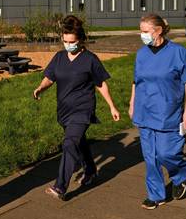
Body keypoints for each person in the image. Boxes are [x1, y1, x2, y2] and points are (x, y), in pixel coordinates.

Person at [33, 15, 120, 201]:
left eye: (71, 42)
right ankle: (90, 170)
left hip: (83, 108)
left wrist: (112, 106)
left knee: (69, 143)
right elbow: (49, 77)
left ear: (80, 40)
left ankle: (60, 186)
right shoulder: (59, 57)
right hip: (64, 110)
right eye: (65, 41)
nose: (68, 45)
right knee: (78, 142)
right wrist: (41, 87)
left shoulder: (90, 59)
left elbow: (101, 84)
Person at [129, 14, 186, 210]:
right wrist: (132, 104)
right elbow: (136, 82)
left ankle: (181, 177)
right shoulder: (141, 54)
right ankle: (155, 195)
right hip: (144, 110)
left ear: (159, 30)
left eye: (146, 31)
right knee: (150, 158)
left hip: (168, 112)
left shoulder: (178, 52)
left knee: (166, 154)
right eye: (141, 31)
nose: (142, 35)